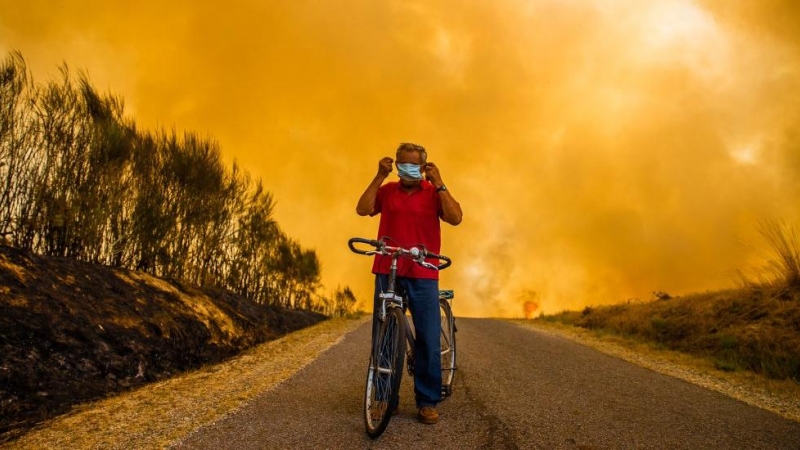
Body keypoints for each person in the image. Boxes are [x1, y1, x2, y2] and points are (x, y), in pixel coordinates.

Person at [356, 142, 463, 425]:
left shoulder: (432, 193)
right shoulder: (387, 191)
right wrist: (379, 175)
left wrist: (439, 183)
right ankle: (384, 395)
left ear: (424, 166)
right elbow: (362, 208)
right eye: (402, 163)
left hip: (423, 271)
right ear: (396, 165)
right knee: (384, 334)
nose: (407, 168)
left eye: (413, 164)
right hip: (387, 267)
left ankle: (427, 400)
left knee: (427, 335)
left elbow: (455, 218)